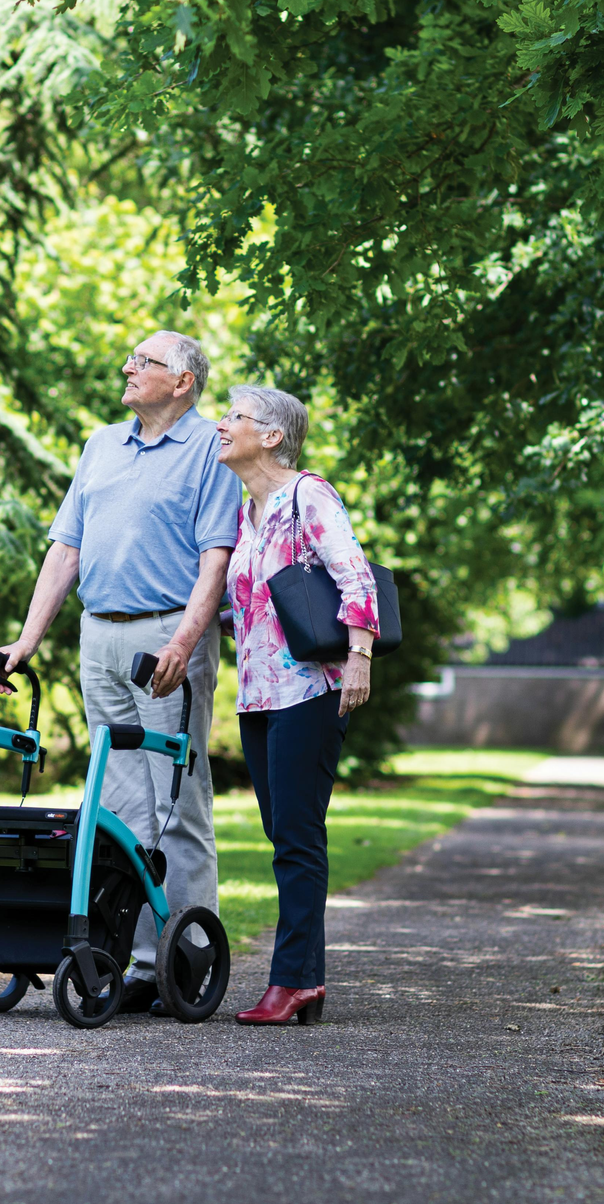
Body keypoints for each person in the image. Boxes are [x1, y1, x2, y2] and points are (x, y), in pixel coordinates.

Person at [0, 331, 242, 1011]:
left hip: (166, 635)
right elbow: (65, 550)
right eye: (131, 359)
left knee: (175, 803)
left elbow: (215, 562)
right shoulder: (102, 444)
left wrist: (185, 643)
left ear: (184, 381)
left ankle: (186, 961)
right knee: (117, 806)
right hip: (99, 633)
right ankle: (134, 964)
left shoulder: (210, 450)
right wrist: (26, 641)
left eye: (146, 362)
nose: (129, 368)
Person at [215, 385, 378, 1026]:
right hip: (258, 696)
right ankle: (306, 981)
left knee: (298, 838)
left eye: (235, 417)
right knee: (285, 835)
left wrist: (358, 658)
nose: (222, 426)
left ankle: (289, 982)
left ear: (273, 435)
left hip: (310, 690)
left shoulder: (307, 494)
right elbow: (248, 611)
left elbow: (353, 573)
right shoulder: (244, 513)